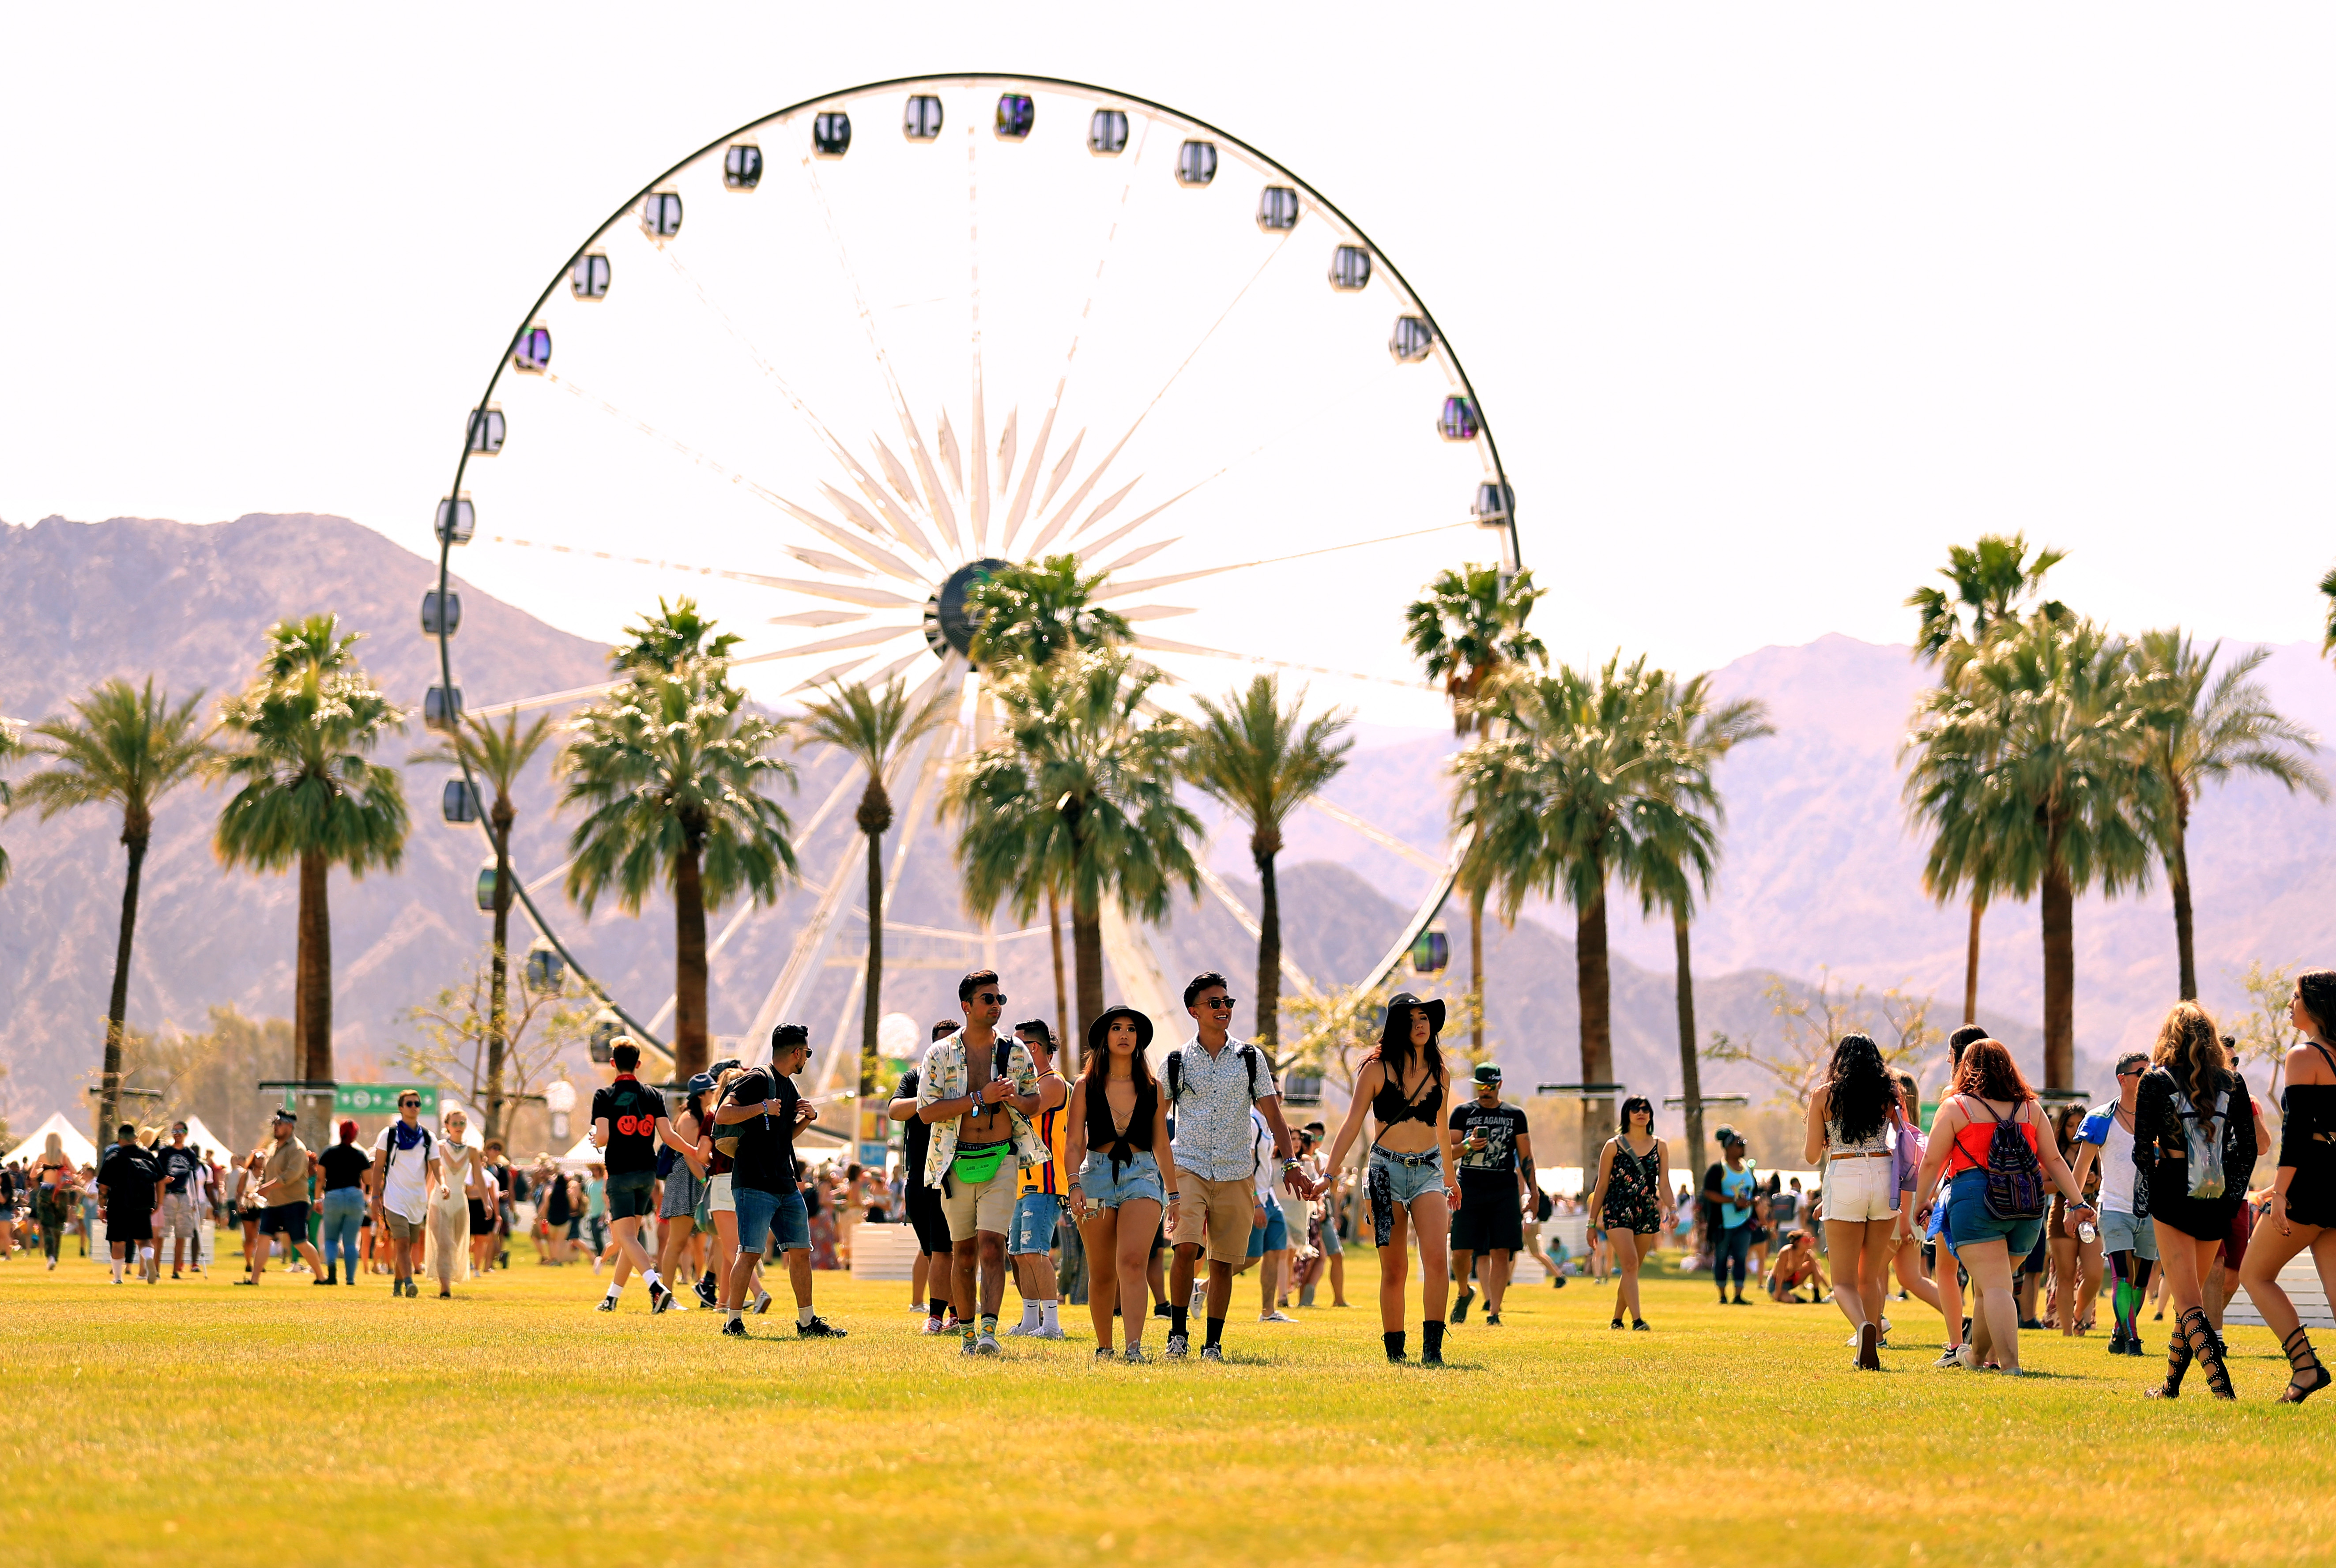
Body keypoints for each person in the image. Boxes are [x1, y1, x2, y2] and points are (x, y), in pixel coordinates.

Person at [1911, 1038, 2097, 1377]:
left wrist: (1921, 1202)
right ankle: (1977, 1357)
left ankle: (2010, 1365)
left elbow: (1932, 1163)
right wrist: (2078, 1202)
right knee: (1991, 1287)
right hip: (2026, 1207)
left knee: (1994, 1287)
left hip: (1976, 1202)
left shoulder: (1957, 1107)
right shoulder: (2030, 1109)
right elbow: (2054, 1160)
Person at [1163, 971, 1315, 1362]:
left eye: (1228, 1002)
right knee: (1185, 1248)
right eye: (1215, 1003)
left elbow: (1274, 1114)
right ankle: (1177, 1335)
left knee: (1224, 1261)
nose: (1224, 1009)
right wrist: (1155, 1166)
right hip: (1189, 1166)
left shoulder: (1250, 1057)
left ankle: (1212, 1343)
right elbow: (1156, 1117)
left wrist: (1292, 1163)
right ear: (1194, 1010)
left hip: (1236, 1171)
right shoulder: (1176, 1061)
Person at [915, 971, 1054, 1357]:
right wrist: (980, 1096)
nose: (996, 1005)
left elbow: (1034, 1102)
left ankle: (990, 1333)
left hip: (1002, 1158)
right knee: (963, 1255)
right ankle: (968, 1337)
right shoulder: (940, 1054)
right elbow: (927, 1112)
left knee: (993, 1246)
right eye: (988, 999)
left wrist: (1011, 1100)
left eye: (999, 999)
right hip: (955, 1162)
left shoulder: (1015, 1052)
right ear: (967, 1006)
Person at [2133, 1002, 2257, 1400]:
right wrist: (2230, 1194)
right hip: (2216, 1194)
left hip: (2172, 1191)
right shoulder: (2233, 1082)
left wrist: (2154, 1190)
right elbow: (2249, 1148)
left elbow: (2140, 1150)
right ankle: (2170, 1387)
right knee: (2192, 1300)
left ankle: (2223, 1390)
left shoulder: (2154, 1081)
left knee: (2188, 1302)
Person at [1321, 990, 1451, 1364]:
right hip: (1384, 1172)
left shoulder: (1440, 1072)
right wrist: (1329, 1175)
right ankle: (1396, 1353)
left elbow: (1442, 1131)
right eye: (1411, 1020)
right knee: (1394, 1268)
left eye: (1425, 1018)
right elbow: (1350, 1125)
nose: (1420, 1025)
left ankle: (1433, 1351)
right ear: (1398, 1026)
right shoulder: (1375, 1070)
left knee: (1436, 1262)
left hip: (1429, 1172)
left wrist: (1452, 1181)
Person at [2239, 968, 2336, 1403]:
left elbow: (2297, 1136)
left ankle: (2305, 1367)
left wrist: (2278, 1193)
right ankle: (2305, 1371)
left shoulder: (2304, 1056)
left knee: (2254, 1274)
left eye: (2296, 997)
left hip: (2311, 1180)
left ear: (2315, 1005)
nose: (2290, 1004)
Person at [713, 1023, 844, 1339]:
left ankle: (807, 1322)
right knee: (751, 1252)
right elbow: (723, 1115)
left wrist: (806, 1120)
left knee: (801, 1250)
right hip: (754, 1181)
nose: (807, 1059)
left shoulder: (790, 1086)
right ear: (797, 1052)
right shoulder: (758, 1078)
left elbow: (783, 1137)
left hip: (785, 1182)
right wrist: (762, 1107)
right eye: (807, 1053)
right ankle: (733, 1321)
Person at [1065, 1004, 1179, 1361]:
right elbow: (1072, 1142)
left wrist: (1174, 1195)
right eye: (1117, 1028)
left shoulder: (1153, 1088)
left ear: (1139, 1039)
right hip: (1095, 1176)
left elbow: (1162, 1144)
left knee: (1132, 1262)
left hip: (1143, 1175)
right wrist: (1073, 1185)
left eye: (1131, 1029)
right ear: (1105, 1037)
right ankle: (1105, 1347)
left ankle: (1134, 1348)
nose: (1125, 1034)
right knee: (1101, 1272)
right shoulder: (1085, 1086)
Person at [1802, 1033, 1906, 1369]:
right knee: (1872, 1273)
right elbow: (1904, 1136)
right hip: (1884, 1174)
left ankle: (1863, 1328)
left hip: (1845, 1174)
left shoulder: (1823, 1096)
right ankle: (1875, 1337)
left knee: (1843, 1280)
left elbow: (1809, 1155)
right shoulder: (1889, 1094)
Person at [591, 1040, 689, 1314]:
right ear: (638, 1064)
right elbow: (668, 1136)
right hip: (648, 1173)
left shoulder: (604, 1095)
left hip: (621, 1174)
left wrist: (594, 1139)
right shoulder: (653, 1095)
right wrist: (694, 1151)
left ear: (613, 1063)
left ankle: (655, 1287)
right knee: (629, 1238)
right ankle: (612, 1298)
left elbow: (603, 1137)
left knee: (625, 1238)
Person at [1448, 1063, 1537, 1329]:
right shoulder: (1463, 1113)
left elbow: (1526, 1155)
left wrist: (1534, 1191)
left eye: (1490, 1086)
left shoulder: (1515, 1115)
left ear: (1500, 1084)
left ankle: (1494, 1312)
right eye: (1481, 1086)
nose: (1485, 1091)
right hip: (1470, 1187)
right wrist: (1467, 1145)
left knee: (1502, 1251)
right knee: (1461, 1250)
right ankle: (1465, 1292)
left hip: (1503, 1188)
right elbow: (1447, 1152)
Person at [890, 1021, 962, 1332]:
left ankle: (949, 1315)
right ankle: (944, 1314)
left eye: (952, 1043)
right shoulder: (915, 1078)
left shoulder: (967, 1080)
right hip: (919, 1179)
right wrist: (931, 1101)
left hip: (956, 1178)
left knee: (951, 1250)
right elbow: (895, 1111)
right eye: (941, 1044)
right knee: (934, 1252)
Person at [1005, 1019, 1071, 1339]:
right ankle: (1031, 1321)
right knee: (1018, 1254)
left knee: (1035, 1252)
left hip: (1045, 1181)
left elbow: (1026, 1112)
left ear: (1033, 1049)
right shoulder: (1031, 1082)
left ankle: (1053, 1325)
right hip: (1022, 1181)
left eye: (1015, 1047)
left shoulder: (1052, 1082)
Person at [1584, 1094, 1671, 1331]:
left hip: (1647, 1211)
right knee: (1630, 1263)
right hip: (1617, 1209)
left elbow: (1664, 1184)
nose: (1641, 1112)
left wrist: (1672, 1210)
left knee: (1633, 1268)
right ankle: (1638, 1320)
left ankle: (1616, 1320)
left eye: (1646, 1109)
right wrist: (1592, 1223)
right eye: (1635, 1109)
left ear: (1651, 1115)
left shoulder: (1660, 1146)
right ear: (1627, 1114)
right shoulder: (1613, 1146)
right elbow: (1601, 1186)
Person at [246, 1110, 328, 1287]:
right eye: (274, 1124)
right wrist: (258, 1188)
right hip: (273, 1203)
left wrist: (267, 1188)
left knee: (299, 1242)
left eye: (279, 1124)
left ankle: (321, 1277)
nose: (276, 1127)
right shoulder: (272, 1148)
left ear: (290, 1126)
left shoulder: (297, 1149)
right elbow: (267, 1173)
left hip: (294, 1203)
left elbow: (291, 1175)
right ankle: (254, 1280)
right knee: (263, 1239)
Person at [652, 1076, 712, 1308]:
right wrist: (705, 1180)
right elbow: (690, 1155)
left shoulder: (705, 1116)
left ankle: (706, 1289)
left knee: (709, 1239)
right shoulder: (689, 1119)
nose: (713, 1094)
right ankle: (666, 1296)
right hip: (685, 1181)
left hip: (698, 1180)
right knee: (677, 1242)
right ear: (701, 1094)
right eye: (710, 1091)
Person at [2046, 1103, 2103, 1336]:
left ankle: (2079, 1313)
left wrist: (2094, 1181)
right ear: (2063, 1127)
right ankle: (2068, 1332)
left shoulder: (2095, 1149)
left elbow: (2105, 1182)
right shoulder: (2055, 1151)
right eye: (2070, 1125)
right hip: (2062, 1211)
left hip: (2091, 1211)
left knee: (2094, 1273)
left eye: (2080, 1124)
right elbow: (2043, 1185)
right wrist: (2071, 1182)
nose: (2075, 1129)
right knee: (2065, 1275)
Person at [425, 1110, 489, 1298]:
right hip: (439, 1200)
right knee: (445, 1243)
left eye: (462, 1123)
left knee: (455, 1245)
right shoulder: (438, 1147)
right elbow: (432, 1175)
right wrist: (423, 1200)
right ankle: (445, 1288)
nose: (459, 1127)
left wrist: (487, 1203)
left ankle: (447, 1279)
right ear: (447, 1125)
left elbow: (479, 1177)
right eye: (455, 1123)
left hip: (460, 1203)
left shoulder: (472, 1151)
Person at [95, 1124, 161, 1285]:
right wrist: (158, 1203)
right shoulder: (147, 1156)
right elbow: (160, 1179)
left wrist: (102, 1205)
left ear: (120, 1139)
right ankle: (149, 1259)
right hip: (143, 1204)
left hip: (118, 1204)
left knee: (118, 1243)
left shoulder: (115, 1156)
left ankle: (118, 1279)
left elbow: (104, 1187)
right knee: (144, 1241)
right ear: (135, 1138)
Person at [1702, 1127, 1758, 1305]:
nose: (1742, 1147)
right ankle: (1722, 1296)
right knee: (1722, 1259)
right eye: (1738, 1143)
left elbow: (1753, 1190)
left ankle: (1739, 1296)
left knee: (1741, 1259)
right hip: (1723, 1224)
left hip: (1743, 1222)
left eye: (1743, 1143)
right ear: (1727, 1147)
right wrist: (1734, 1201)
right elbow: (1709, 1193)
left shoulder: (1748, 1168)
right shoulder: (1718, 1169)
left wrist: (1753, 1201)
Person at [315, 1119, 371, 1286]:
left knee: (331, 1239)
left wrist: (318, 1199)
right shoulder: (360, 1155)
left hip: (333, 1196)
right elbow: (368, 1179)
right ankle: (350, 1279)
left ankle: (332, 1271)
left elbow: (320, 1179)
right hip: (354, 1197)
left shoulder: (328, 1153)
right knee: (350, 1242)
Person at [155, 1123, 203, 1280]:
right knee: (161, 1234)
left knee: (181, 1234)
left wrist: (195, 1201)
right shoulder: (165, 1152)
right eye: (174, 1131)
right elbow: (157, 1174)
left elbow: (193, 1177)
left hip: (183, 1196)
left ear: (185, 1134)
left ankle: (176, 1271)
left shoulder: (190, 1154)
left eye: (180, 1131)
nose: (177, 1134)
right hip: (167, 1195)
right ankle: (156, 1269)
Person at [33, 1133, 77, 1271]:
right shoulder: (64, 1157)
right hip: (61, 1193)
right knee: (58, 1225)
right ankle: (55, 1256)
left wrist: (44, 1169)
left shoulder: (42, 1157)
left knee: (47, 1226)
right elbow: (74, 1171)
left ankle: (50, 1256)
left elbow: (33, 1175)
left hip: (46, 1191)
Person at [1766, 1229, 1830, 1301]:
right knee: (1790, 1300)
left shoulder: (1808, 1255)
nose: (1809, 1243)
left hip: (1791, 1281)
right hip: (1776, 1283)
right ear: (1797, 1242)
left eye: (1811, 1240)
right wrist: (1777, 1295)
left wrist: (1830, 1289)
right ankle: (1799, 1299)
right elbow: (1780, 1275)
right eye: (1806, 1240)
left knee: (1816, 1264)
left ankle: (1817, 1297)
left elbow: (1818, 1272)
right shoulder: (1786, 1252)